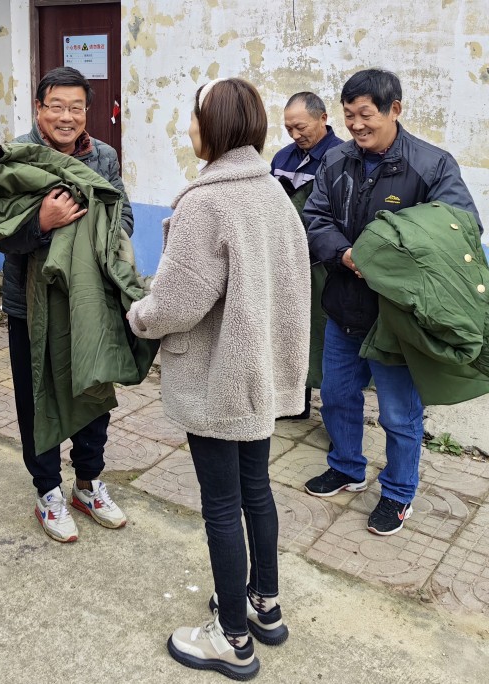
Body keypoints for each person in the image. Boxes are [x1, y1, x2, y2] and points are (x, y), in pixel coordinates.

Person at [128, 78, 310, 680]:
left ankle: (231, 638)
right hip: (258, 370)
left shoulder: (207, 202)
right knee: (256, 489)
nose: (188, 127)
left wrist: (139, 316)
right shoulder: (272, 190)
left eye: (194, 116)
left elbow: (177, 303)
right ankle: (263, 605)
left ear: (215, 126)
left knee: (222, 504)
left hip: (219, 376)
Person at [304, 68, 482, 535]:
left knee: (399, 415)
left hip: (397, 319)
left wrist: (388, 262)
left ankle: (399, 494)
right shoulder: (337, 160)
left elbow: (459, 229)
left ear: (394, 110)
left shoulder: (432, 165)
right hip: (344, 303)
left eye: (365, 115)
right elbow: (315, 217)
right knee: (336, 396)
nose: (356, 125)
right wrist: (345, 254)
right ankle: (347, 467)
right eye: (349, 115)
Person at [0, 67, 131, 543]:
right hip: (29, 303)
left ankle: (88, 484)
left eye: (76, 107)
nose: (66, 117)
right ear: (39, 108)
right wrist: (42, 224)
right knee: (36, 395)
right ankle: (47, 489)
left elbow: (123, 214)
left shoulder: (103, 157)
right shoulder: (16, 156)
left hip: (90, 300)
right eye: (56, 106)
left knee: (93, 383)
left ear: (86, 111)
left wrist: (96, 239)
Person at [271, 92, 344, 419]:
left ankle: (336, 417)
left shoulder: (342, 157)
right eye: (289, 128)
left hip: (325, 265)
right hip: (287, 262)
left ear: (323, 118)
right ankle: (295, 403)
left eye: (300, 127)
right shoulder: (282, 158)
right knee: (289, 332)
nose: (295, 134)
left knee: (324, 337)